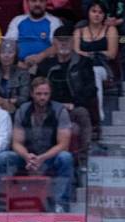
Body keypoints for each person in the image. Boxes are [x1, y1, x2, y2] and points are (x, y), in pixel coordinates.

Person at [0, 76, 74, 212]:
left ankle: (60, 203)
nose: (42, 97)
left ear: (50, 94)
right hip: (28, 157)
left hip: (50, 157)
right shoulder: (23, 110)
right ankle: (5, 200)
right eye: (39, 94)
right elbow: (16, 143)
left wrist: (42, 158)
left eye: (46, 94)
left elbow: (63, 144)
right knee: (4, 157)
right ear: (32, 93)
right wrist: (28, 156)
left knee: (65, 157)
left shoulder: (60, 110)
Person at [37, 24, 97, 155]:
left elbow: (91, 89)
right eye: (60, 41)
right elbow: (36, 89)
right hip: (49, 108)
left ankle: (84, 155)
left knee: (82, 113)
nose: (63, 44)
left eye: (67, 40)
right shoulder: (45, 65)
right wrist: (53, 104)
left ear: (73, 42)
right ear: (54, 42)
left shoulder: (84, 63)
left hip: (74, 107)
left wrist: (73, 103)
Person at [74, 0, 118, 121]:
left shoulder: (110, 30)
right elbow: (75, 51)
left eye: (100, 12)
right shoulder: (79, 31)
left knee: (95, 72)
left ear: (104, 15)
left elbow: (112, 54)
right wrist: (94, 53)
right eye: (94, 11)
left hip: (103, 68)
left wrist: (90, 54)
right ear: (88, 13)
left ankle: (98, 114)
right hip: (82, 67)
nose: (97, 15)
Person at [4, 0, 62, 69]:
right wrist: (17, 63)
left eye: (41, 1)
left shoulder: (54, 21)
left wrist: (40, 56)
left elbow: (58, 46)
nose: (37, 4)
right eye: (33, 1)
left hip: (45, 65)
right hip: (18, 65)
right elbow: (7, 45)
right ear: (27, 3)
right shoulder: (17, 20)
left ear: (46, 3)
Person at [0, 38, 31, 116]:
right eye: (3, 52)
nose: (6, 56)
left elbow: (24, 98)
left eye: (10, 52)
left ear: (16, 55)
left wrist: (6, 101)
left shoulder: (23, 74)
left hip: (18, 111)